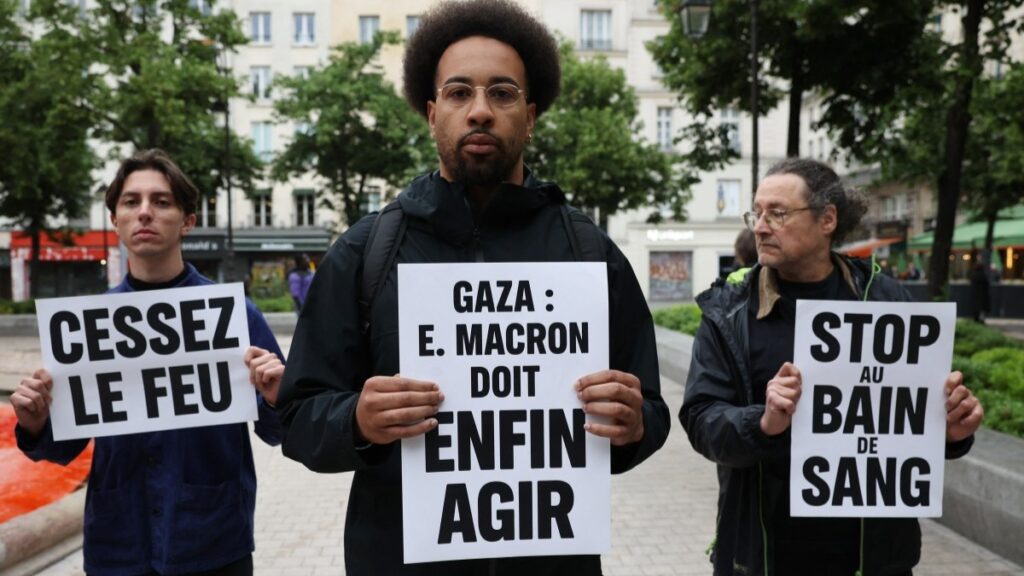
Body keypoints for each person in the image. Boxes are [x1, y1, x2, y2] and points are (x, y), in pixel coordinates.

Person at [275, 1, 670, 574]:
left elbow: (651, 411)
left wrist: (634, 424)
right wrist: (356, 420)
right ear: (432, 112)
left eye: (503, 94)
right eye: (460, 93)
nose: (480, 111)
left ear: (530, 116)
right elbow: (297, 418)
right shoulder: (366, 252)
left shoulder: (590, 252)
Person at [682, 158, 984, 576]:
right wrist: (763, 422)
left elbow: (913, 415)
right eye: (757, 212)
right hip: (765, 556)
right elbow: (701, 421)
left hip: (873, 559)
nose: (762, 226)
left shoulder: (886, 300)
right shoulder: (729, 310)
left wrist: (950, 432)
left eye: (778, 213)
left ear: (827, 219)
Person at [11, 149, 286, 576]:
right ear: (115, 219)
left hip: (212, 542)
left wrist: (276, 397)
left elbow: (282, 430)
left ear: (188, 220)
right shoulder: (87, 327)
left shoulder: (233, 316)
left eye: (161, 202)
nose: (144, 213)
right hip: (118, 545)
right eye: (131, 202)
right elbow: (64, 448)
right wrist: (35, 422)